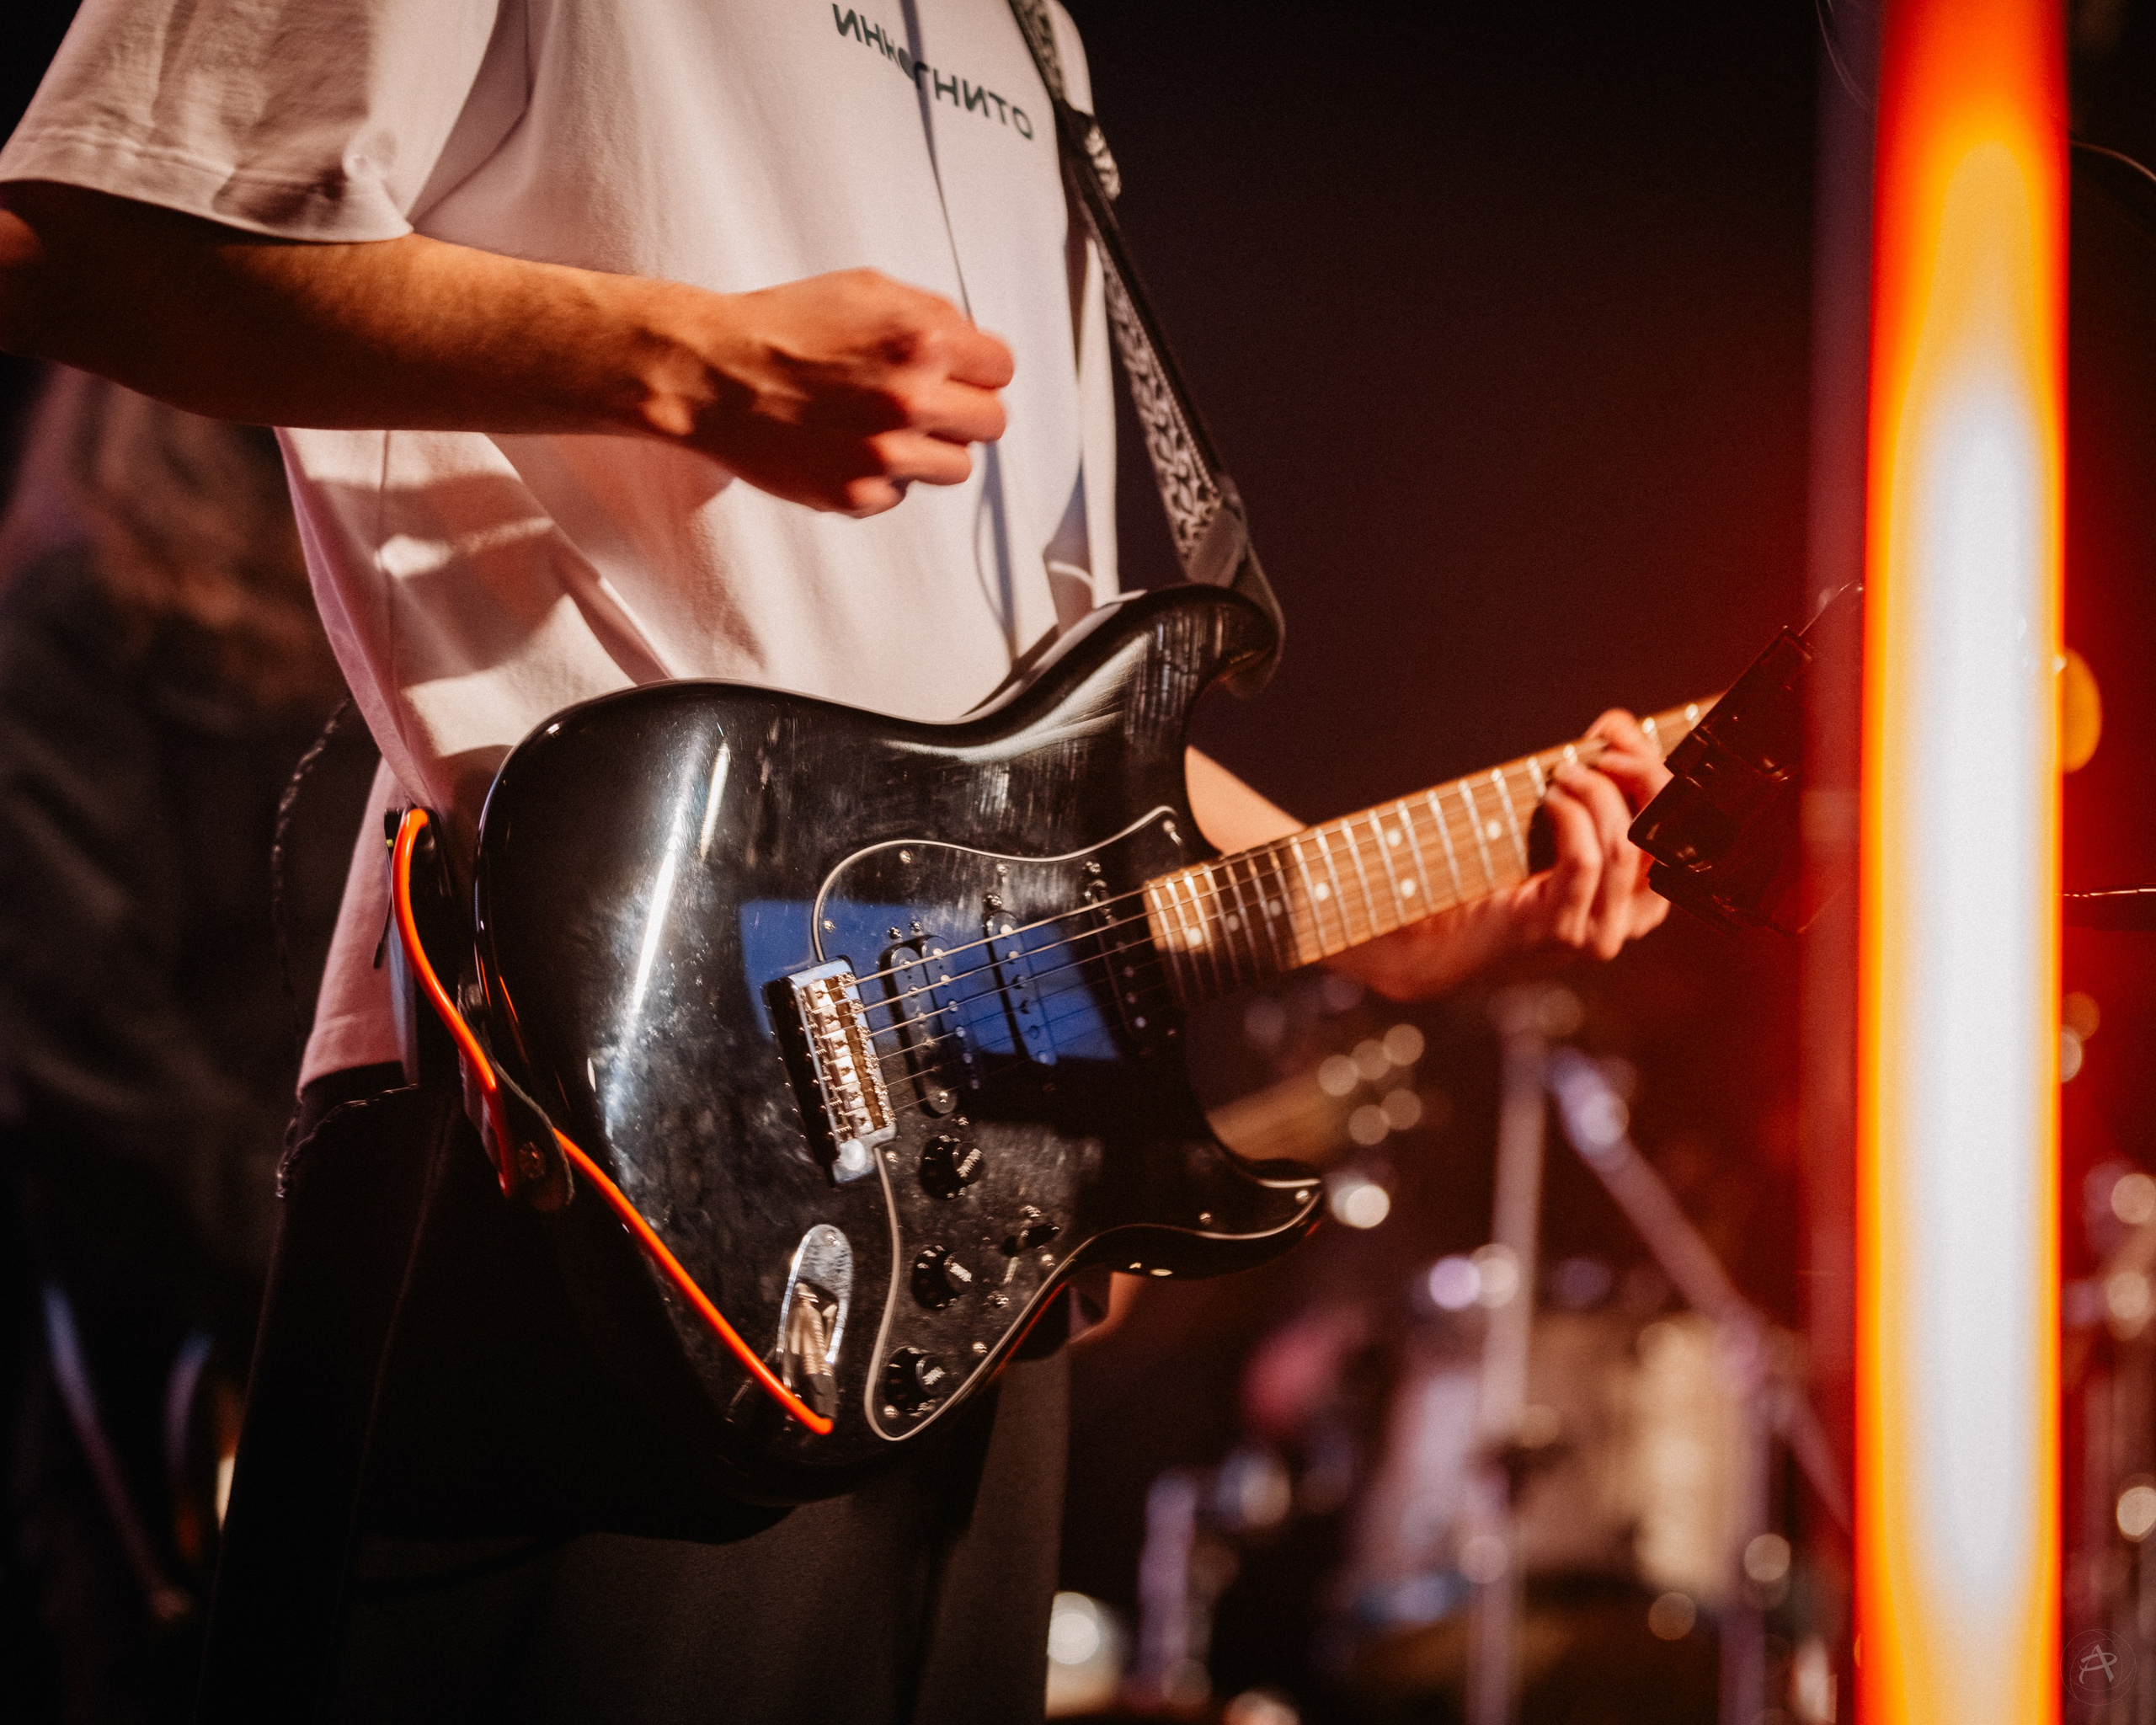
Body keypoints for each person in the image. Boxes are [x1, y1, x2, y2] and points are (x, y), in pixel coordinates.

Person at [0, 3, 1671, 1718]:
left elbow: (1024, 720)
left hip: (964, 1188)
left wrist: (1366, 906)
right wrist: (681, 361)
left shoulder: (1036, 39)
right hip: (586, 1115)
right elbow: (86, 231)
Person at [0, 368, 360, 1722]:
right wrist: (318, 1288)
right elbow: (78, 1043)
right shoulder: (79, 624)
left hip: (352, 1326)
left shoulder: (381, 637)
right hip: (191, 1364)